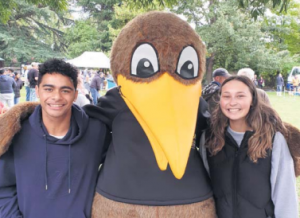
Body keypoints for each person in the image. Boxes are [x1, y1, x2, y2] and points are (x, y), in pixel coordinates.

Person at [0, 59, 108, 218]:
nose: (56, 97)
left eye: (65, 90)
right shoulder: (17, 134)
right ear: (37, 91)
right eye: (49, 89)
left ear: (75, 94)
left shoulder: (96, 132)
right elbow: (3, 187)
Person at [200, 75, 298, 218]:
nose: (232, 102)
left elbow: (285, 196)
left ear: (252, 100)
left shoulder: (273, 139)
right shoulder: (209, 139)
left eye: (240, 96)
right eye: (226, 96)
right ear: (220, 100)